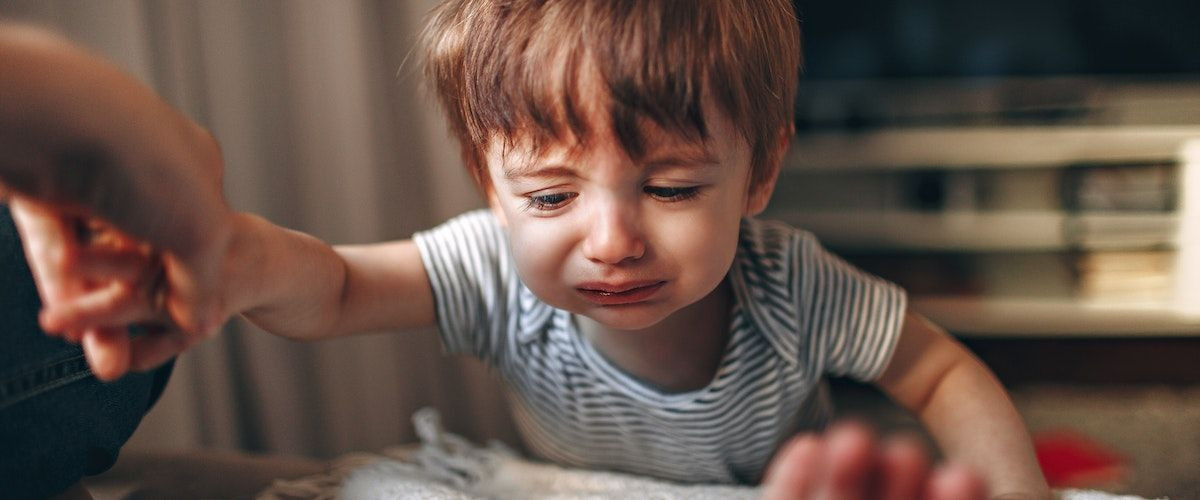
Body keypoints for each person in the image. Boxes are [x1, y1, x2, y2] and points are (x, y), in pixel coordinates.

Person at [0, 2, 1050, 498]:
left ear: (761, 171)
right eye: (549, 192)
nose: (611, 237)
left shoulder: (792, 284)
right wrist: (237, 259)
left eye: (675, 187)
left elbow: (940, 367)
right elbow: (337, 285)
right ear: (487, 182)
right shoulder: (494, 267)